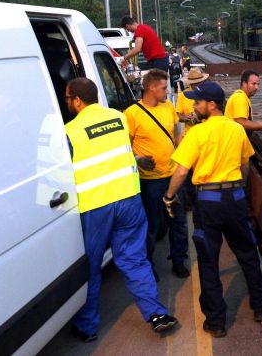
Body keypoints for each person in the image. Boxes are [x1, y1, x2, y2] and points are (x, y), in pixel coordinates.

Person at [64, 77, 178, 341]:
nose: (67, 102)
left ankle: (87, 326)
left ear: (77, 100)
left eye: (68, 98)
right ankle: (157, 314)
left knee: (91, 267)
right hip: (129, 199)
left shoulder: (69, 131)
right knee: (134, 259)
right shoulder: (118, 118)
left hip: (96, 206)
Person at [163, 81, 262, 338]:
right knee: (247, 252)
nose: (193, 106)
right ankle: (260, 306)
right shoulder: (236, 130)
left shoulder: (197, 133)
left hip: (208, 201)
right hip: (234, 197)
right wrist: (239, 190)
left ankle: (216, 322)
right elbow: (245, 165)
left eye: (197, 102)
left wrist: (169, 196)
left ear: (211, 105)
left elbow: (181, 171)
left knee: (208, 260)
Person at [124, 69, 190, 280]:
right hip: (150, 181)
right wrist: (137, 158)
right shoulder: (131, 114)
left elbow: (176, 134)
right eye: (163, 88)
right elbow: (125, 145)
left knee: (178, 222)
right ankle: (149, 265)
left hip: (173, 177)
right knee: (151, 225)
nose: (167, 91)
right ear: (151, 88)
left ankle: (178, 261)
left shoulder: (168, 106)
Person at [224, 70, 262, 134]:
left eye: (258, 84)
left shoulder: (243, 97)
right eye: (253, 84)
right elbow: (242, 122)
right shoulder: (239, 98)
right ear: (244, 84)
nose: (256, 87)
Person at [177, 67, 210, 136]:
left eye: (199, 83)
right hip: (190, 135)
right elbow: (178, 116)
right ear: (190, 83)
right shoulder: (182, 95)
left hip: (207, 134)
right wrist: (186, 118)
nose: (197, 85)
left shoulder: (209, 93)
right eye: (194, 83)